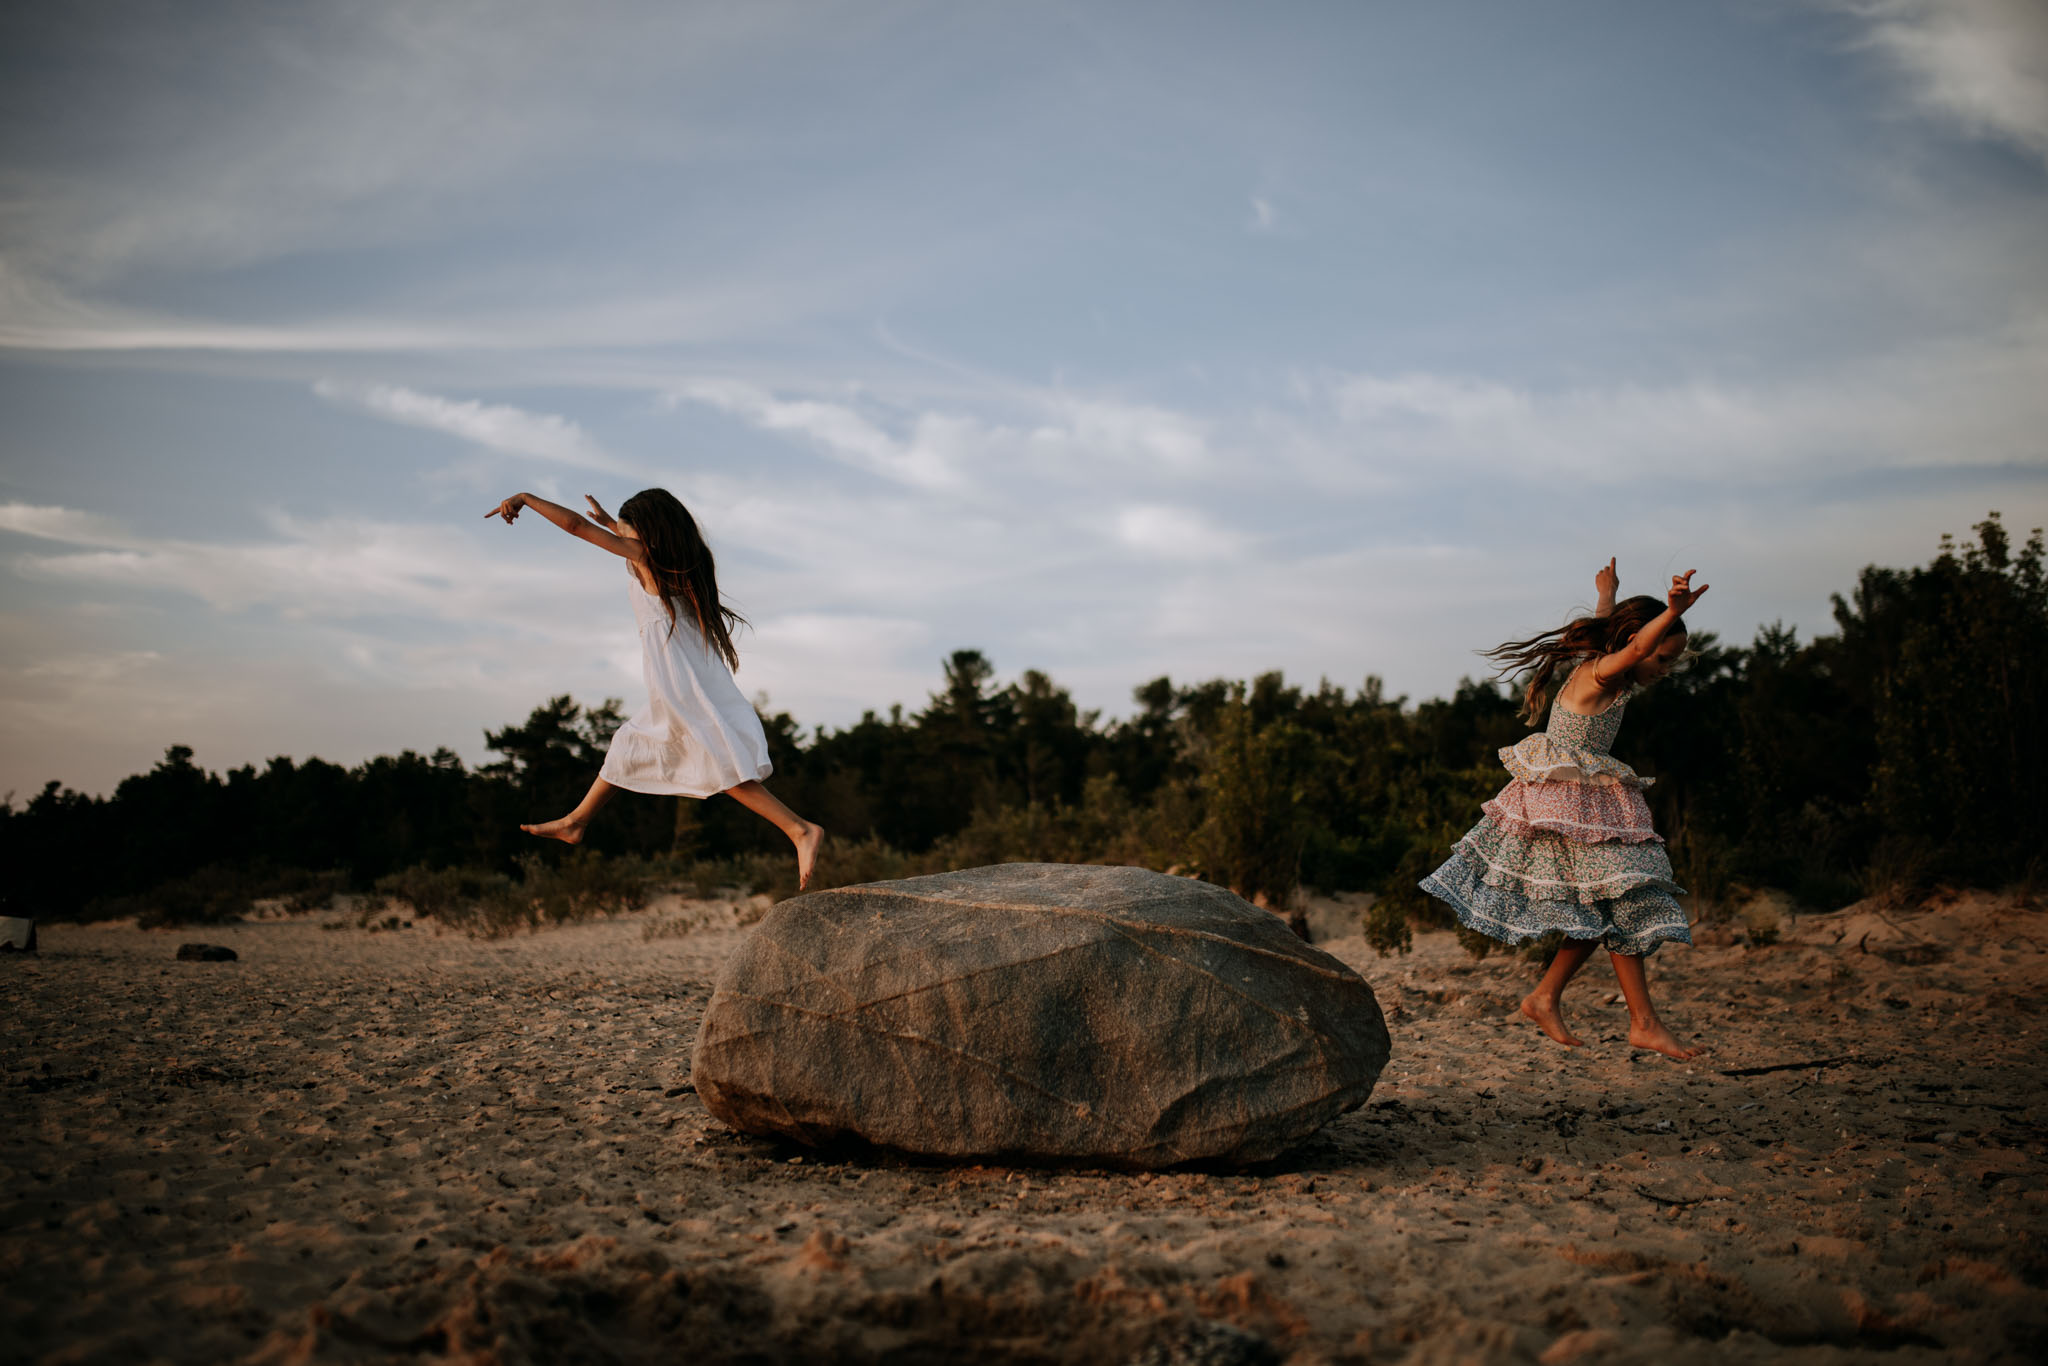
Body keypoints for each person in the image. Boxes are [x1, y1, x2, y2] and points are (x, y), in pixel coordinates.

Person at [1420, 565, 1709, 1060]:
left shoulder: (1599, 659)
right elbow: (1635, 649)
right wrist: (1673, 612)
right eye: (1664, 657)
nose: (1664, 668)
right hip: (1567, 800)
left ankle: (1549, 998)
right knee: (1620, 898)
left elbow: (1616, 639)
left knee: (1606, 906)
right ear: (1640, 640)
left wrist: (1607, 596)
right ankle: (1635, 1020)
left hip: (1585, 799)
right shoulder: (1604, 671)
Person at [486, 488, 825, 890]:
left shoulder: (645, 560)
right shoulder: (677, 563)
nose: (621, 539)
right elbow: (614, 534)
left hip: (679, 681)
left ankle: (800, 829)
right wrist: (613, 523)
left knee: (718, 764)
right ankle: (576, 822)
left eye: (627, 533)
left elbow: (575, 526)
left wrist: (527, 498)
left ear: (645, 535)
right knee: (629, 743)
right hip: (687, 674)